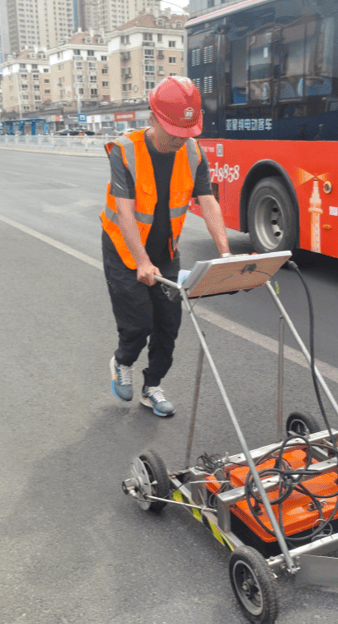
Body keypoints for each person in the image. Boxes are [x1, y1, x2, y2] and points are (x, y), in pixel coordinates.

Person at [102, 76, 231, 417]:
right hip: (125, 250)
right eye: (173, 130)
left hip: (166, 250)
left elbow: (208, 201)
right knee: (138, 323)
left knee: (168, 325)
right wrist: (141, 262)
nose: (180, 139)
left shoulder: (192, 151)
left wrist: (226, 254)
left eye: (187, 131)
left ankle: (152, 387)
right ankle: (122, 361)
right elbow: (126, 213)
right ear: (153, 118)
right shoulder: (125, 150)